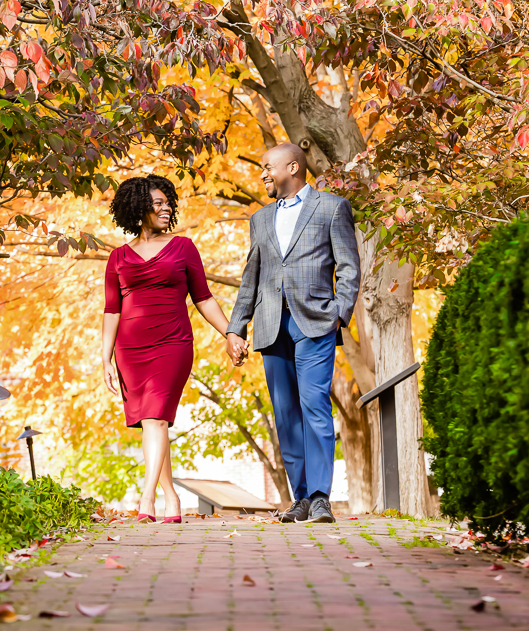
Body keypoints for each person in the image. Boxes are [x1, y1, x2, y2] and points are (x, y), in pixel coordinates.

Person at [225, 144, 360, 523]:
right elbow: (250, 277)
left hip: (315, 321)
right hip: (271, 326)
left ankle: (320, 497)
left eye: (268, 167)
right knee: (285, 414)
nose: (263, 173)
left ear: (294, 166)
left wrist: (340, 313)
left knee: (314, 404)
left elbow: (348, 266)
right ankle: (300, 498)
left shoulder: (331, 207)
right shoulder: (260, 219)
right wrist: (236, 327)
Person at [102, 174, 241, 523]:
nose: (167, 209)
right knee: (154, 424)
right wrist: (104, 357)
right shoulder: (117, 257)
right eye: (159, 203)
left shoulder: (183, 248)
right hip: (130, 349)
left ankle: (146, 500)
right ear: (138, 208)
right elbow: (111, 309)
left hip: (173, 342)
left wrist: (231, 333)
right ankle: (172, 498)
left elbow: (204, 299)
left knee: (155, 417)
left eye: (168, 203)